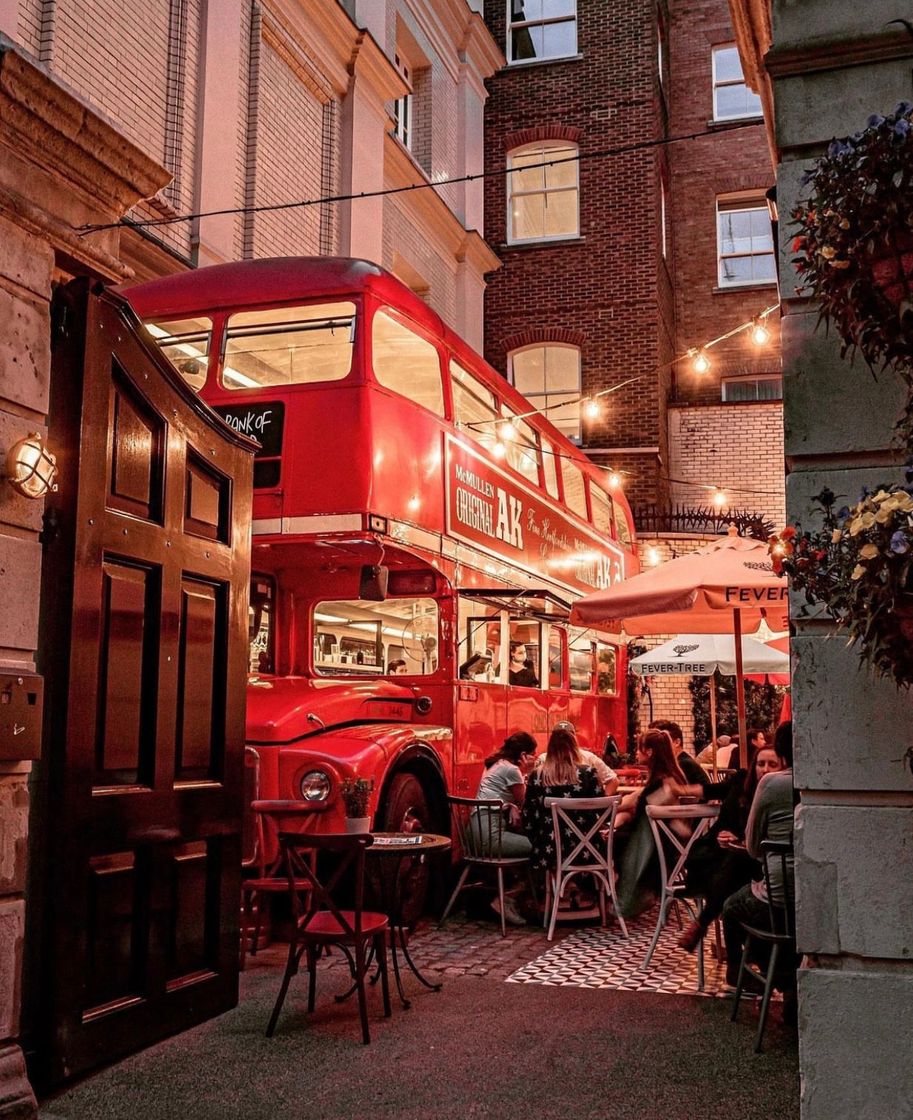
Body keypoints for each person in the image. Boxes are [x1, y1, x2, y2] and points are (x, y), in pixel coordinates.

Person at [677, 740, 787, 953]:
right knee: (731, 871)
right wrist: (676, 789)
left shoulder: (777, 794)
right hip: (716, 855)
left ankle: (703, 924)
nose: (764, 769)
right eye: (761, 764)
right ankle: (741, 958)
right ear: (753, 765)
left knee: (736, 866)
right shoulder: (740, 782)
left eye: (771, 765)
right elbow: (709, 790)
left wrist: (740, 841)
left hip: (753, 860)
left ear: (782, 767)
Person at [720, 721, 796, 990]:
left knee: (732, 907)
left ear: (782, 754)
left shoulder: (771, 784)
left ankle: (752, 973)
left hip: (780, 901)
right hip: (820, 899)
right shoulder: (826, 783)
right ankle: (786, 982)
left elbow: (753, 848)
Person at [614, 728, 702, 917]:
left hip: (657, 850)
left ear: (649, 751)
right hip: (670, 844)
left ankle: (620, 899)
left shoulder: (660, 782)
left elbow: (642, 817)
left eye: (639, 749)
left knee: (605, 844)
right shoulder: (670, 778)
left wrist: (618, 817)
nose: (636, 753)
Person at [473, 731, 537, 926]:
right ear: (524, 754)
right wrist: (528, 771)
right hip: (491, 837)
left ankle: (513, 896)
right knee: (542, 848)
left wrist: (509, 806)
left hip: (475, 834)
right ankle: (509, 897)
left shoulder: (495, 764)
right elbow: (528, 803)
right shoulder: (512, 770)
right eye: (534, 754)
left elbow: (498, 797)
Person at [522, 725, 602, 879]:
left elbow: (528, 817)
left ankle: (554, 893)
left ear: (550, 748)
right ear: (574, 747)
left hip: (547, 851)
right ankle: (591, 893)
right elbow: (600, 811)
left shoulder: (536, 776)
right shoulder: (588, 773)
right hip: (587, 850)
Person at [551, 720, 619, 794]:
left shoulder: (589, 758)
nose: (563, 742)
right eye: (559, 738)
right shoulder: (542, 759)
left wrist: (603, 803)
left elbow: (613, 780)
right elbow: (613, 780)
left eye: (567, 738)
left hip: (553, 805)